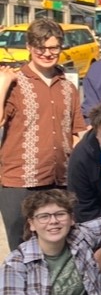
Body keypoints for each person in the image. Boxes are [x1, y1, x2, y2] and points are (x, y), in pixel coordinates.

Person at [0, 18, 86, 250]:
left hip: (59, 180)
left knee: (57, 248)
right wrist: (3, 83)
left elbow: (77, 131)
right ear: (29, 47)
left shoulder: (67, 86)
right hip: (19, 181)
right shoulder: (15, 83)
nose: (47, 54)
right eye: (41, 48)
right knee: (22, 249)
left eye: (53, 48)